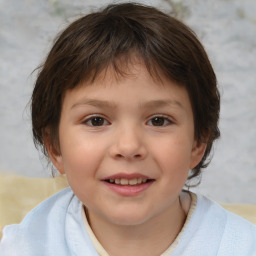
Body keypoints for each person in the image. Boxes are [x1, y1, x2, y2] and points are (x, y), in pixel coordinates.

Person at [0, 2, 255, 256]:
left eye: (158, 120)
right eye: (96, 121)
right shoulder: (27, 246)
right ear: (55, 147)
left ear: (198, 143)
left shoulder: (241, 246)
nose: (129, 147)